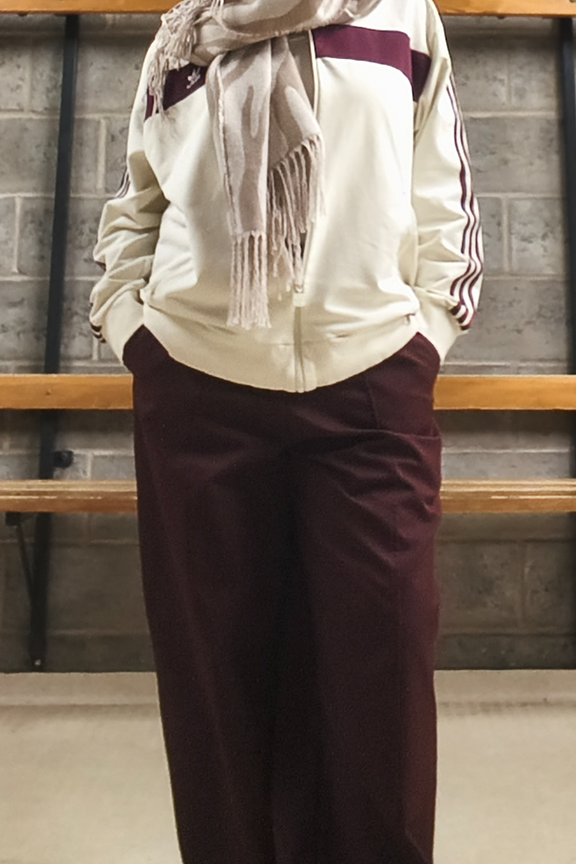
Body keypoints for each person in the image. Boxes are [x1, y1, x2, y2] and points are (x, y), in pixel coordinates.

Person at [90, 0, 482, 861]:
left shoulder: (401, 15)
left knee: (382, 676)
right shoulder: (185, 31)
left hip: (371, 389)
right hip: (198, 388)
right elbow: (135, 206)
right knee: (216, 685)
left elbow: (443, 189)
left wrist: (426, 336)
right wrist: (135, 335)